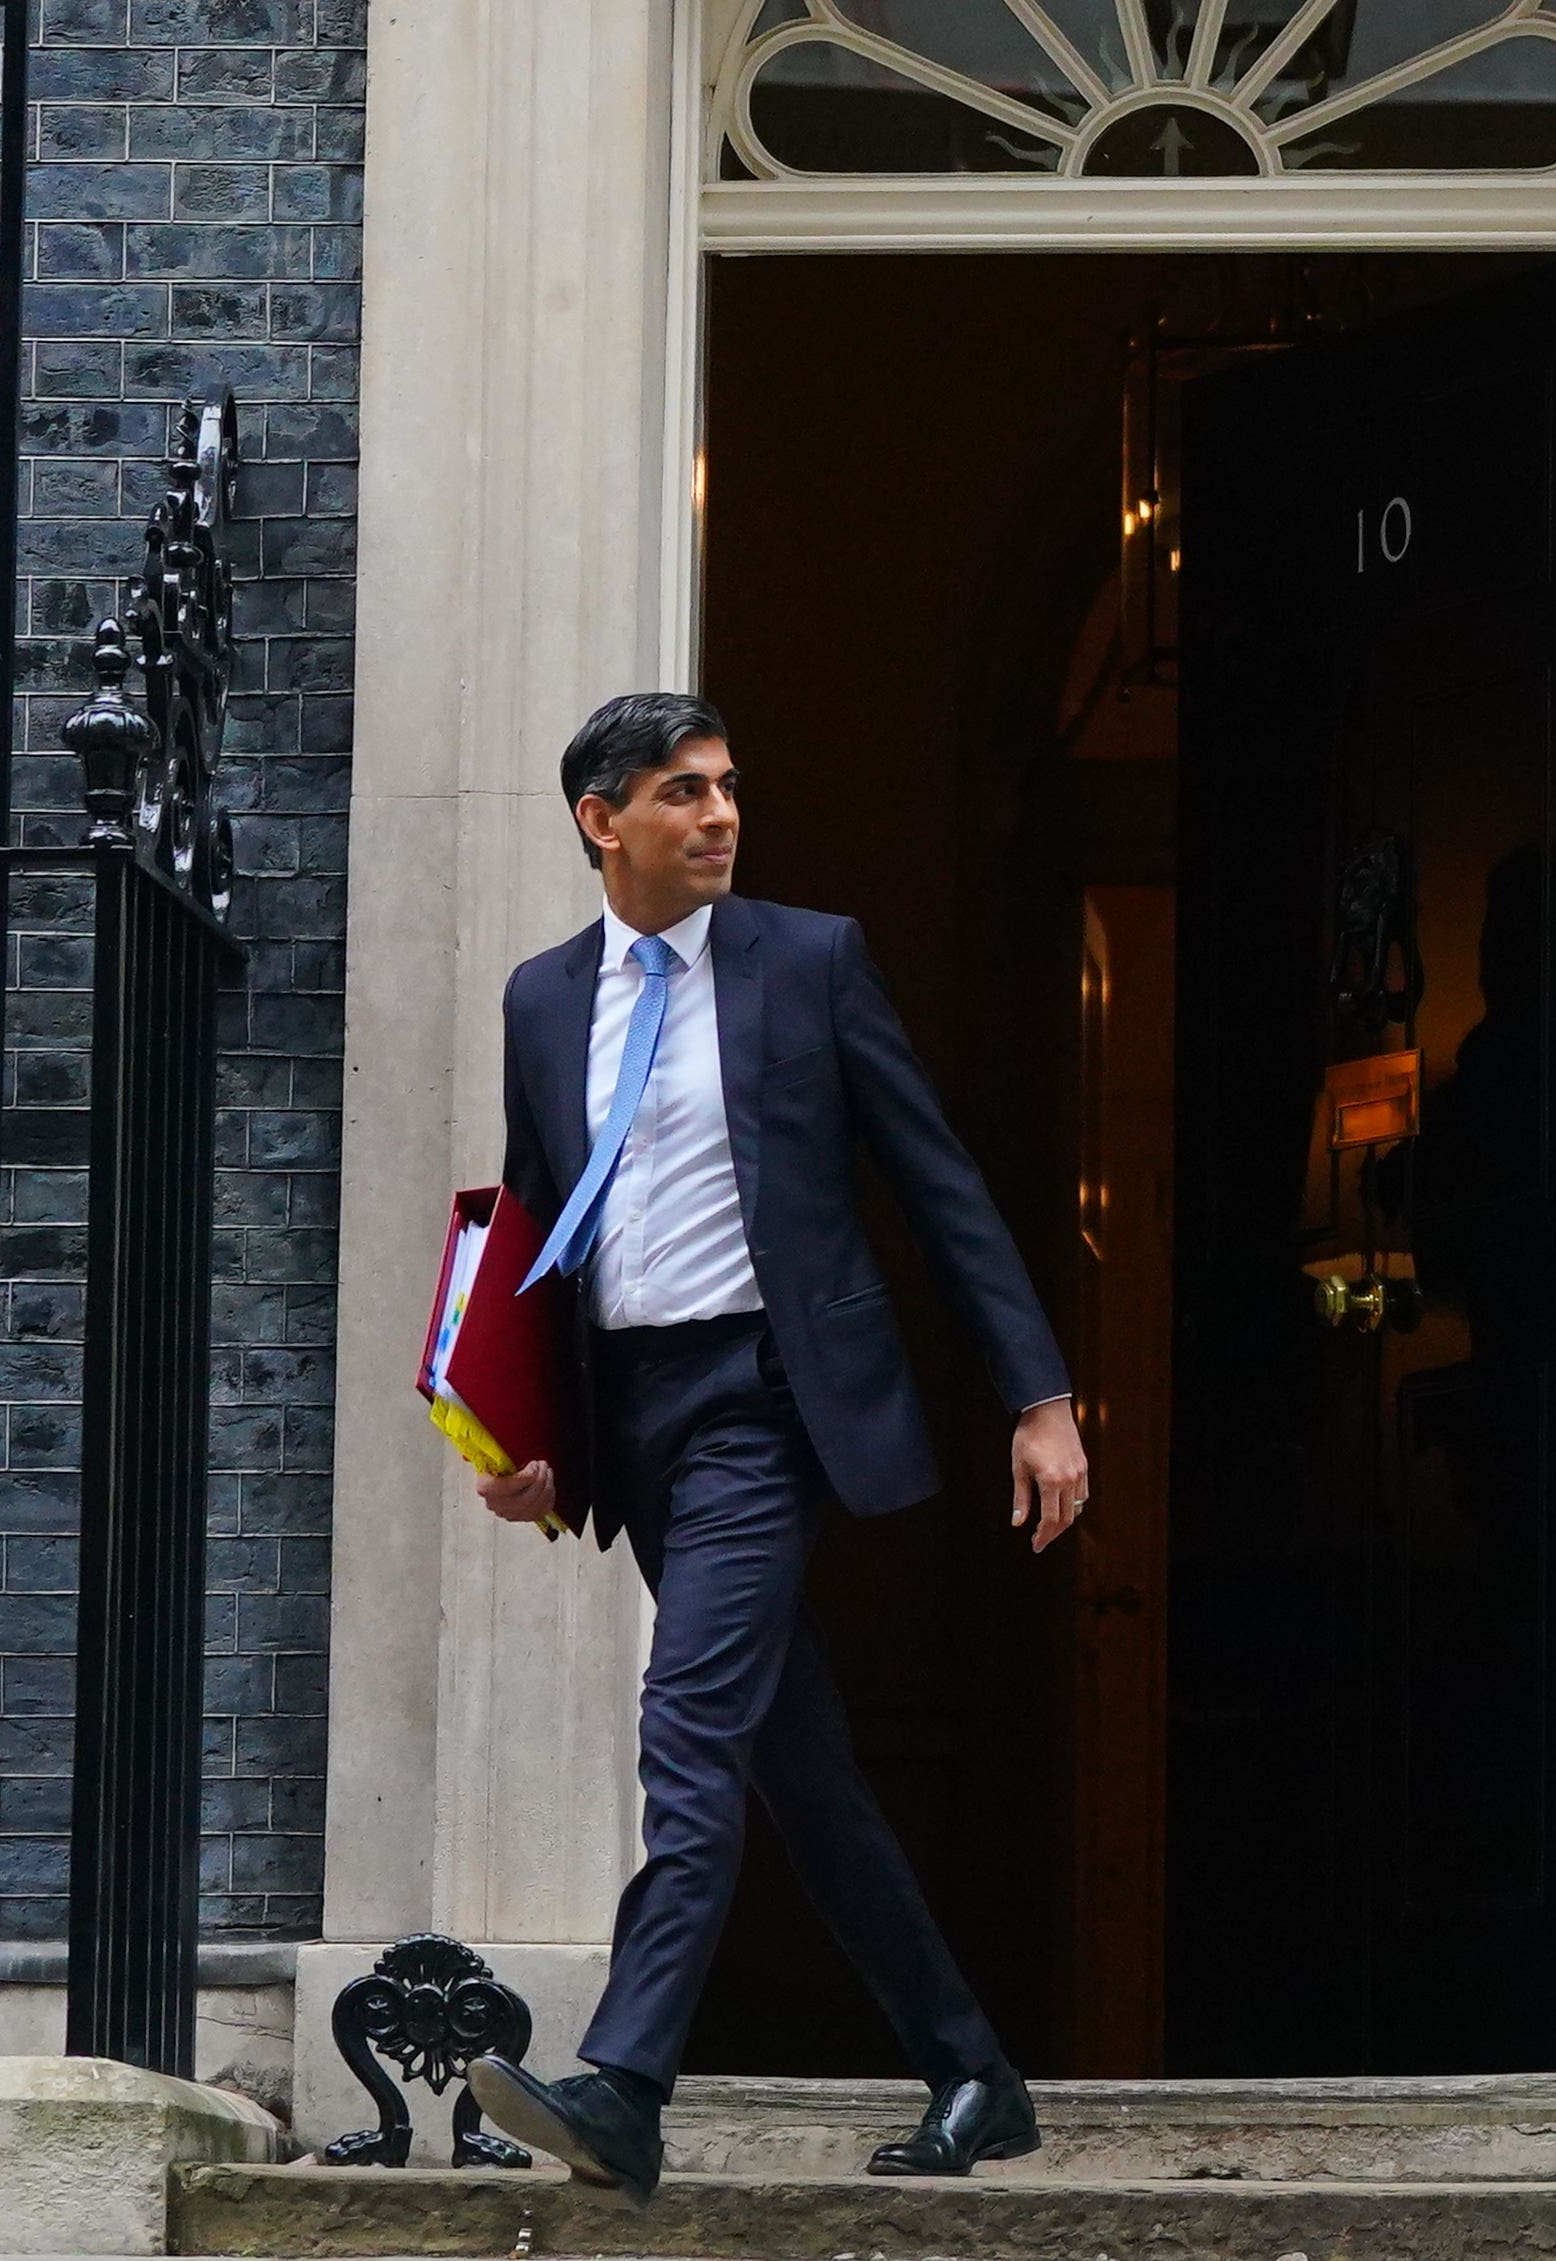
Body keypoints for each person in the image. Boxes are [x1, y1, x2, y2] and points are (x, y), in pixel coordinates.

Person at [465, 691, 1089, 2202]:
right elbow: (536, 1224)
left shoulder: (810, 961)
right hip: (639, 1418)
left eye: (730, 785)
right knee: (796, 1767)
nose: (723, 813)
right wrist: (524, 1439)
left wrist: (1042, 1393)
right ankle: (973, 2075)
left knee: (690, 1730)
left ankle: (623, 2081)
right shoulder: (544, 999)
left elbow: (937, 1182)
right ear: (600, 820)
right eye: (684, 792)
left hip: (766, 1397)